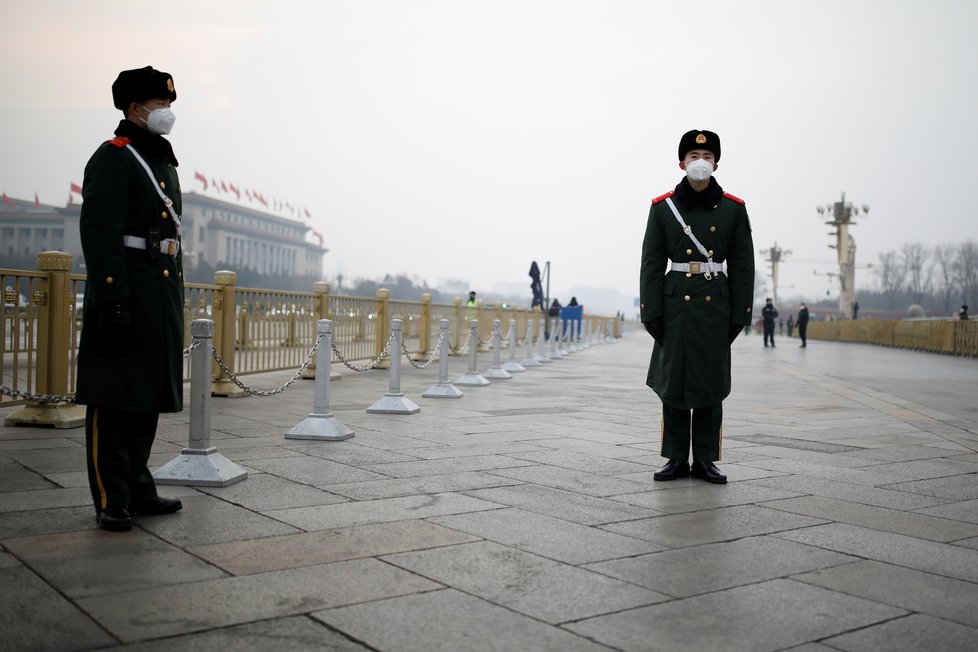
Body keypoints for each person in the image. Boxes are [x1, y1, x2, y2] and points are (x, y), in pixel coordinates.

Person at [76, 66, 185, 532]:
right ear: (134, 108)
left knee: (145, 397)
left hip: (157, 293)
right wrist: (111, 299)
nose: (167, 112)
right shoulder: (113, 157)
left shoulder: (160, 159)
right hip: (124, 293)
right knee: (113, 398)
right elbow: (101, 235)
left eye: (168, 104)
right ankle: (111, 496)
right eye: (159, 105)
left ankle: (139, 487)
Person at [640, 129, 754, 485]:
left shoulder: (734, 209)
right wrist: (651, 311)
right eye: (692, 157)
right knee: (673, 383)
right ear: (681, 163)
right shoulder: (663, 208)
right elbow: (651, 261)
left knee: (709, 384)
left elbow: (742, 264)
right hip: (675, 306)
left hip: (714, 308)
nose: (699, 163)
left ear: (716, 163)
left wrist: (740, 314)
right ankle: (676, 458)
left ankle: (705, 459)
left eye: (705, 158)